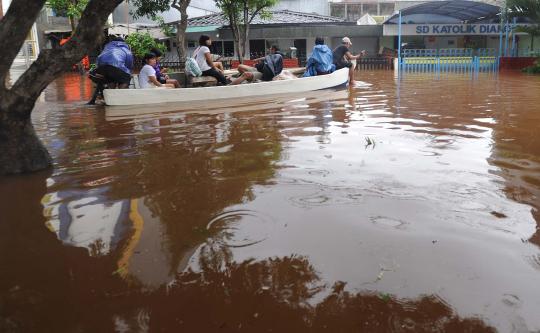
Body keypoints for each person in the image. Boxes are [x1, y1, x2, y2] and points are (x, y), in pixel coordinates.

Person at [88, 36, 134, 104]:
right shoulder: (126, 50)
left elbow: (98, 60)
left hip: (101, 69)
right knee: (126, 78)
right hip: (117, 67)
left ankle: (109, 96)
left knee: (111, 78)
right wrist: (128, 75)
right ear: (124, 43)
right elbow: (129, 66)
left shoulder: (106, 48)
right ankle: (119, 96)